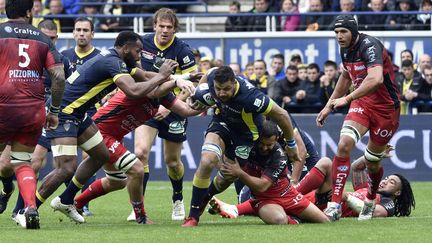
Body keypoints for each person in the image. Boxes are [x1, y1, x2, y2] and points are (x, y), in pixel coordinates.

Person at [38, 31, 177, 224]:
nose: (139, 55)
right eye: (137, 51)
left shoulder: (123, 62)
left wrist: (178, 79)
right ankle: (28, 207)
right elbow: (134, 91)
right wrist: (163, 76)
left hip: (79, 113)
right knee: (65, 168)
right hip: (64, 111)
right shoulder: (113, 62)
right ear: (126, 48)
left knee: (101, 155)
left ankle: (66, 200)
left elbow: (145, 75)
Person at [182, 66, 300, 227]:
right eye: (218, 89)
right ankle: (193, 216)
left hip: (245, 137)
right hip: (221, 124)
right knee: (207, 161)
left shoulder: (251, 97)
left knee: (226, 178)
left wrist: (291, 144)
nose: (221, 93)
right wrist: (196, 94)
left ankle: (207, 196)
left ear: (234, 82)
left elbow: (282, 115)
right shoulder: (213, 81)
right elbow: (210, 72)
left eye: (226, 89)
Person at [72, 77, 199, 224]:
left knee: (117, 181)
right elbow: (153, 88)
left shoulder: (163, 96)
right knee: (137, 169)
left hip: (114, 136)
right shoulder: (138, 90)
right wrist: (176, 81)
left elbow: (186, 110)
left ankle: (75, 203)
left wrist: (209, 101)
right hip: (99, 133)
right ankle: (140, 216)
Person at [316, 15, 401, 221]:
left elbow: (376, 79)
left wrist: (347, 98)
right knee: (344, 145)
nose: (339, 36)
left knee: (372, 163)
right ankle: (335, 204)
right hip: (362, 103)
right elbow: (346, 76)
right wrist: (329, 105)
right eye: (336, 32)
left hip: (386, 109)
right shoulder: (345, 48)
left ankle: (371, 199)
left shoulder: (370, 45)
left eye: (343, 31)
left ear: (353, 31)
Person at [0, 0, 66, 229]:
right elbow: (58, 77)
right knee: (22, 161)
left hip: (3, 107)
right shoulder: (43, 38)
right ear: (29, 11)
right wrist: (55, 111)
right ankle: (29, 207)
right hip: (33, 110)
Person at [132, 8, 198, 222]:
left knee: (172, 162)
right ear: (154, 26)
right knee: (140, 153)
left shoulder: (183, 51)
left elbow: (193, 83)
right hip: (147, 106)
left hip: (174, 109)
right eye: (161, 26)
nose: (165, 30)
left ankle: (177, 198)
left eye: (169, 27)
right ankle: (138, 207)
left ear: (175, 29)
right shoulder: (142, 44)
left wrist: (169, 106)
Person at [215, 150, 415, 220]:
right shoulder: (369, 190)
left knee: (326, 163)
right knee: (326, 163)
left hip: (328, 206)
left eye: (393, 182)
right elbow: (356, 167)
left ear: (398, 192)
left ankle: (236, 208)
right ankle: (235, 209)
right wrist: (375, 154)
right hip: (323, 199)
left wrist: (345, 197)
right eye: (388, 177)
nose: (387, 180)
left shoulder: (387, 202)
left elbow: (374, 213)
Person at [10, 19, 73, 224]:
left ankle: (26, 208)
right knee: (26, 163)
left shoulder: (62, 60)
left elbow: (68, 87)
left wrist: (55, 110)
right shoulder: (28, 57)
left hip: (52, 116)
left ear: (57, 37)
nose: (50, 40)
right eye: (47, 36)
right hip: (33, 113)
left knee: (51, 164)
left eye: (53, 37)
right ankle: (20, 206)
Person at [209, 120, 329, 225]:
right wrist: (220, 164)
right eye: (262, 143)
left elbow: (262, 185)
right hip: (263, 199)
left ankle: (236, 209)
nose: (264, 148)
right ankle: (231, 207)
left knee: (325, 221)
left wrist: (239, 173)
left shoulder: (279, 156)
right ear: (257, 138)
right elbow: (224, 153)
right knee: (279, 220)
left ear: (276, 139)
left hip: (287, 194)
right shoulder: (248, 146)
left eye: (269, 145)